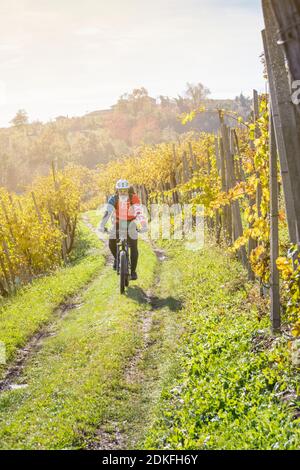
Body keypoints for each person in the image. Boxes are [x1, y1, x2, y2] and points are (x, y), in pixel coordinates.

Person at [99, 179, 147, 281]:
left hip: (131, 223)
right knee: (111, 242)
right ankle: (117, 259)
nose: (123, 193)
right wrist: (102, 224)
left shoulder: (133, 197)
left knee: (133, 247)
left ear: (128, 190)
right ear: (117, 191)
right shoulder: (114, 199)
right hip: (118, 223)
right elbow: (108, 212)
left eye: (125, 190)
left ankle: (133, 272)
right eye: (120, 191)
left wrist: (143, 224)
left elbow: (139, 212)